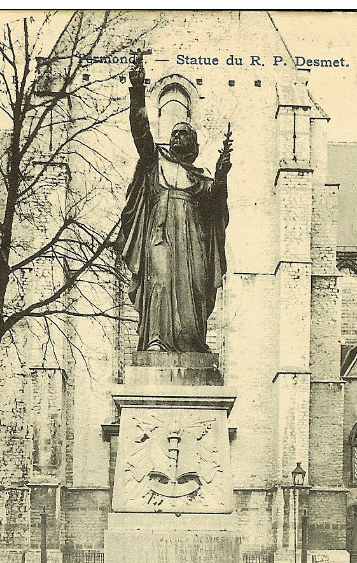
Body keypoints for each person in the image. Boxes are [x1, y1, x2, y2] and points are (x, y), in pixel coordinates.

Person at [117, 54, 232, 353]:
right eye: (175, 134)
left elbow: (216, 206)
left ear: (193, 144)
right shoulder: (155, 163)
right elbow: (140, 130)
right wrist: (137, 92)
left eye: (184, 134)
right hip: (160, 235)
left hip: (193, 241)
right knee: (160, 281)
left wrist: (221, 176)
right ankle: (155, 341)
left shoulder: (200, 179)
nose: (178, 137)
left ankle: (191, 342)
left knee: (194, 288)